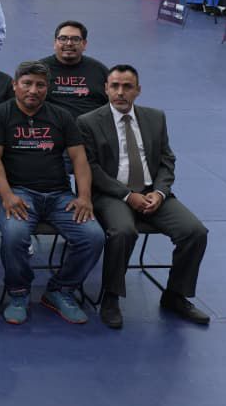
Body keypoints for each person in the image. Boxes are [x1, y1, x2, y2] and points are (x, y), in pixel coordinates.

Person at [76, 65, 210, 329]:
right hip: (112, 194)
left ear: (138, 90)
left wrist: (159, 193)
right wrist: (128, 196)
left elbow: (167, 160)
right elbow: (90, 168)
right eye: (115, 86)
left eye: (127, 87)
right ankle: (111, 297)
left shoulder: (155, 117)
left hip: (152, 192)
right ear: (106, 89)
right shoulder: (88, 122)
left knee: (195, 232)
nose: (120, 92)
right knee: (123, 232)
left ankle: (175, 295)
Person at [0, 60, 105, 325]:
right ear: (15, 85)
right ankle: (18, 293)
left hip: (60, 195)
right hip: (18, 194)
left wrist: (84, 197)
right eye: (27, 84)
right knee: (14, 236)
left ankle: (61, 290)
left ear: (47, 88)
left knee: (93, 236)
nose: (33, 90)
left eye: (40, 85)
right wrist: (6, 196)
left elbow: (79, 159)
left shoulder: (62, 116)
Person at [42, 20, 109, 118]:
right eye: (63, 39)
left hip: (90, 126)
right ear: (55, 43)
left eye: (75, 39)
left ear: (84, 44)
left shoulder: (100, 71)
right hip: (52, 125)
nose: (69, 43)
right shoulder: (39, 70)